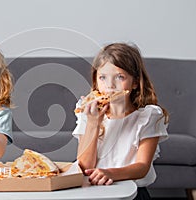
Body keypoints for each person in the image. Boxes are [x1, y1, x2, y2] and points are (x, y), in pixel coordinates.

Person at [72, 42, 169, 200]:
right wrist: (93, 124)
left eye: (119, 77)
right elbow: (84, 167)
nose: (110, 86)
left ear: (135, 82)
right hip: (95, 192)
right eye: (103, 78)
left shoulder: (148, 116)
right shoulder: (87, 114)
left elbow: (142, 167)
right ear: (96, 82)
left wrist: (110, 173)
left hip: (133, 192)